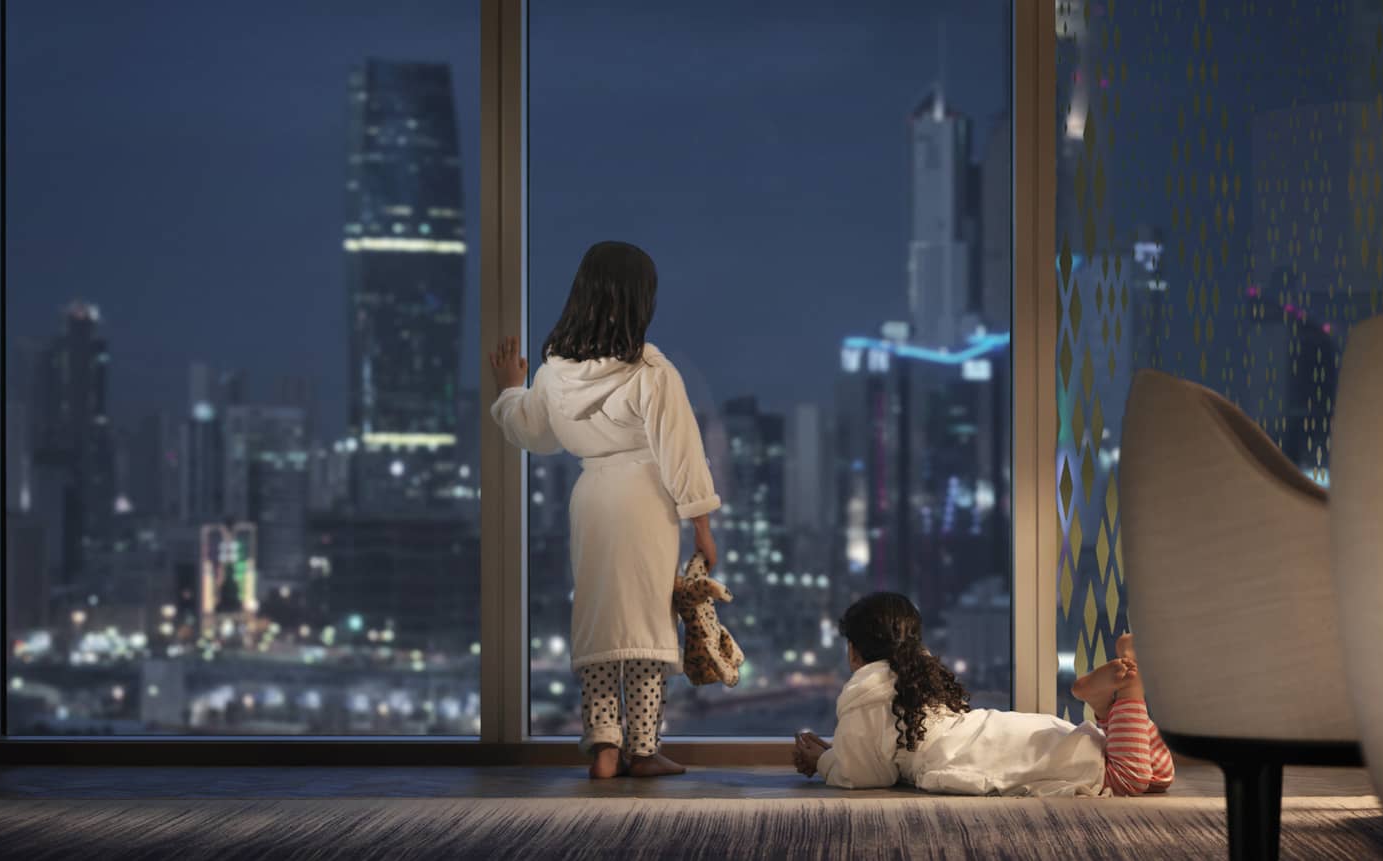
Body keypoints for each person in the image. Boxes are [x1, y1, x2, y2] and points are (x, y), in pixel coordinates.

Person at [489, 240, 721, 779]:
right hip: (645, 503)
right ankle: (642, 748)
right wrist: (702, 527)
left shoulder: (553, 372)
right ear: (641, 299)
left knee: (598, 619)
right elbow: (681, 453)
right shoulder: (651, 372)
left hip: (591, 500)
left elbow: (534, 434)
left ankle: (603, 747)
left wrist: (507, 391)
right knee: (646, 623)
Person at [793, 592, 1175, 797]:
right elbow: (879, 749)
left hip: (992, 753)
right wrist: (834, 751)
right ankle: (1105, 706)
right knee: (1160, 775)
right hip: (1010, 734)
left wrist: (825, 761)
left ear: (854, 651)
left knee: (1131, 777)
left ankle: (1127, 689)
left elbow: (865, 774)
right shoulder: (915, 675)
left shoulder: (867, 689)